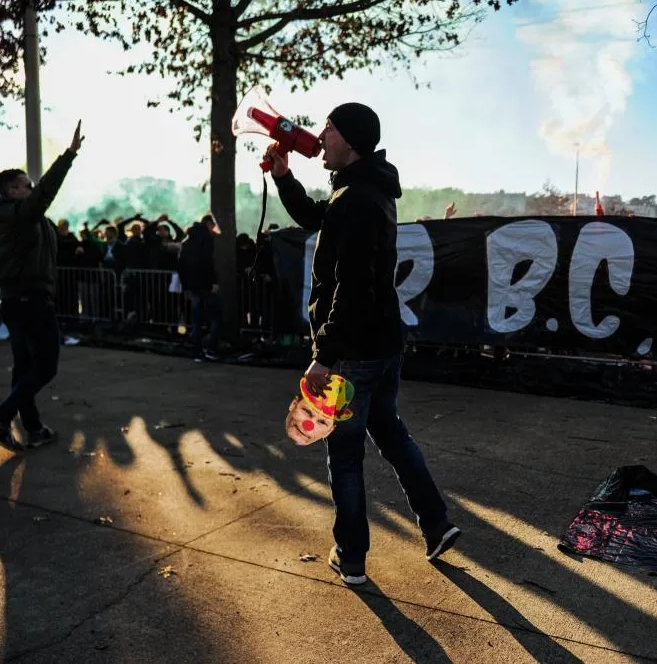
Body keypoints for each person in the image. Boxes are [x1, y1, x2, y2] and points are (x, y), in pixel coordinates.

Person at [266, 103, 460, 586]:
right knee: (391, 432)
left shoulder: (354, 199)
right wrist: (285, 177)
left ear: (350, 141)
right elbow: (317, 216)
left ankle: (351, 557)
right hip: (383, 344)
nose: (320, 136)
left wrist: (324, 357)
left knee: (346, 456)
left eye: (329, 128)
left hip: (351, 355)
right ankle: (437, 524)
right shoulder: (365, 190)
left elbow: (350, 289)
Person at [0, 120, 84, 449]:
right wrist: (68, 155)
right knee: (46, 366)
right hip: (31, 301)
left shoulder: (0, 211)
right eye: (26, 185)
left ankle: (33, 427)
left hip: (16, 301)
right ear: (12, 192)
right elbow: (43, 195)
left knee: (24, 367)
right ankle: (0, 421)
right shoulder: (17, 216)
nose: (32, 188)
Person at [178, 213, 222, 360]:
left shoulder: (187, 243)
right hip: (206, 285)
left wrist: (185, 286)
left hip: (193, 286)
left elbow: (181, 266)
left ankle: (197, 352)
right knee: (215, 317)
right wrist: (214, 282)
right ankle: (212, 349)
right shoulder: (208, 241)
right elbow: (208, 263)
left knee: (196, 320)